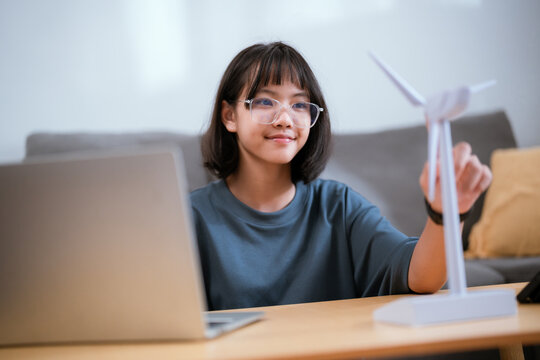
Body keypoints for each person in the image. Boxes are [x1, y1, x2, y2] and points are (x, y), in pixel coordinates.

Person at [190, 42, 492, 311]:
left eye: (299, 104)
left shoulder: (339, 206)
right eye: (265, 102)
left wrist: (446, 212)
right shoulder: (190, 216)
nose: (284, 119)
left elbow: (421, 277)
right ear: (229, 115)